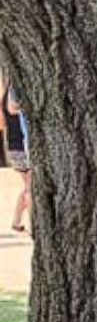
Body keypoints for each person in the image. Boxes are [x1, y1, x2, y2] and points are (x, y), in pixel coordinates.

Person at [3, 83, 30, 233]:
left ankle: (16, 221)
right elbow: (12, 109)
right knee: (30, 188)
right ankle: (35, 227)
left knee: (27, 186)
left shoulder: (8, 92)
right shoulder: (14, 90)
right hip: (21, 147)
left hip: (15, 146)